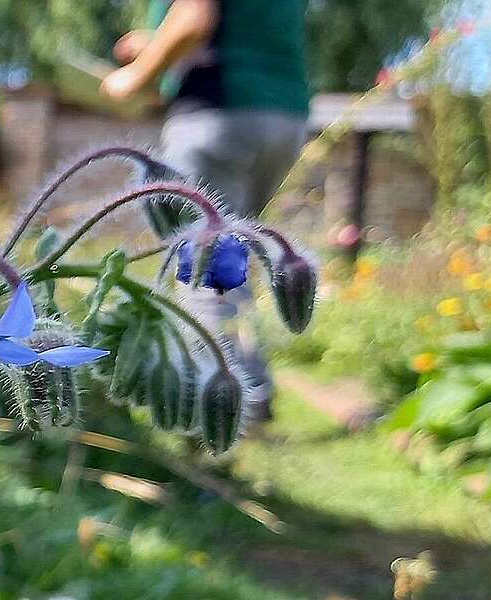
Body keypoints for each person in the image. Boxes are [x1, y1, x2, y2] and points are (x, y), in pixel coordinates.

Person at [101, 0, 310, 424]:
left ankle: (216, 409)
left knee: (202, 270)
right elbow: (243, 28)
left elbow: (195, 20)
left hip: (218, 112)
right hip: (284, 114)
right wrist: (155, 44)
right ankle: (253, 388)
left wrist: (133, 78)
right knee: (229, 265)